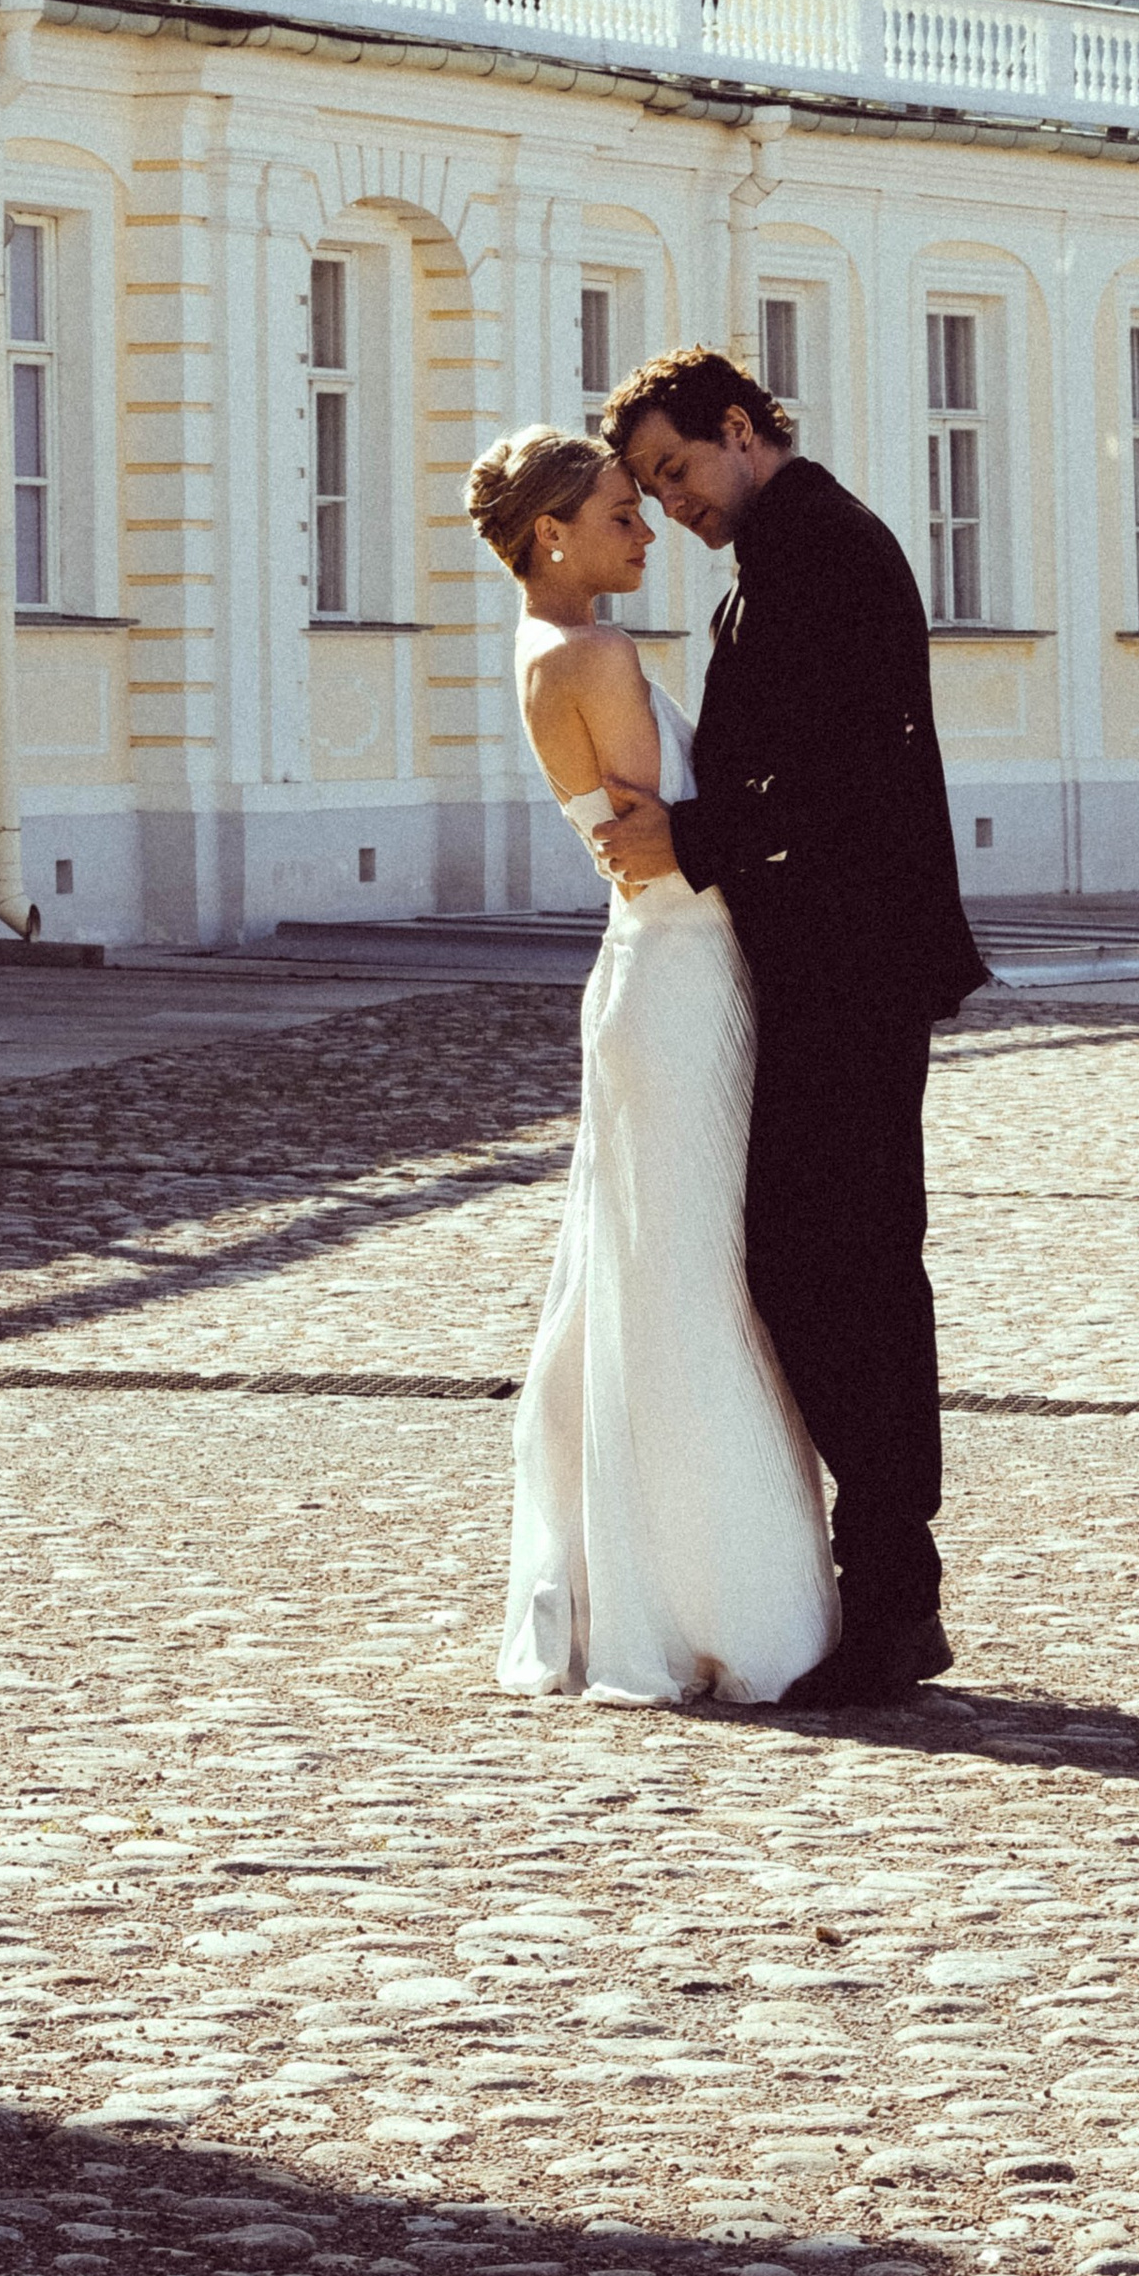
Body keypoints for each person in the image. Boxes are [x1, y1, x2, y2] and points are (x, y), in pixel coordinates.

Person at [594, 345, 988, 1709]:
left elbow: (823, 778)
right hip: (833, 959)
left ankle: (892, 1593)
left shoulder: (818, 549)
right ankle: (882, 1584)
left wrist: (688, 835)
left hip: (856, 961)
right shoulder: (789, 551)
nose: (677, 502)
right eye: (649, 485)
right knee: (831, 1264)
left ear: (748, 427)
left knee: (847, 1270)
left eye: (679, 468)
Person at [464, 423, 838, 1706]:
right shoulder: (596, 651)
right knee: (682, 1277)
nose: (646, 528)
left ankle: (639, 1574)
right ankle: (715, 1600)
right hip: (681, 977)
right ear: (553, 532)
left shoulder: (543, 650)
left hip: (650, 973)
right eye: (623, 509)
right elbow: (661, 849)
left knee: (641, 1272)